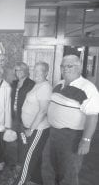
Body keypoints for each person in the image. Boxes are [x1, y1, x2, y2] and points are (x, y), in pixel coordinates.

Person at [42, 55, 99, 185]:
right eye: (63, 66)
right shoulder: (59, 84)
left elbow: (92, 116)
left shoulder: (88, 88)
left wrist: (86, 140)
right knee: (49, 167)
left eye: (69, 66)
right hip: (53, 133)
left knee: (69, 172)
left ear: (79, 67)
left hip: (72, 136)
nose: (65, 69)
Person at [14, 62, 52, 185]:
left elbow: (43, 111)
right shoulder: (37, 84)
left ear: (46, 72)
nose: (35, 73)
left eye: (39, 70)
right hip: (29, 127)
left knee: (28, 158)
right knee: (35, 157)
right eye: (34, 70)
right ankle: (36, 181)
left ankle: (19, 182)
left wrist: (31, 129)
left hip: (38, 129)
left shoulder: (45, 87)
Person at [11, 62, 35, 165]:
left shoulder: (31, 84)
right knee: (17, 140)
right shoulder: (14, 83)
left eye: (21, 70)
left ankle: (23, 165)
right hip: (15, 116)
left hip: (24, 117)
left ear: (26, 71)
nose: (18, 72)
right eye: (16, 70)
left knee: (24, 141)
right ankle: (19, 162)